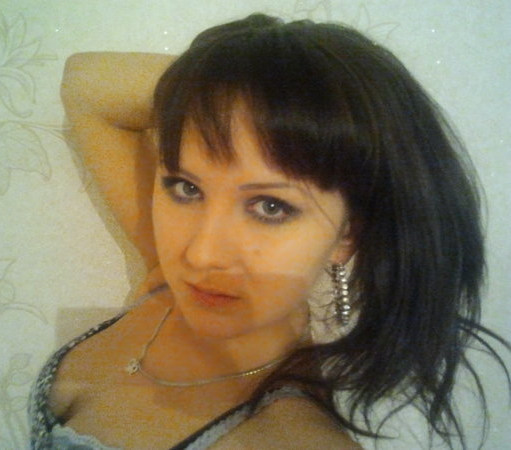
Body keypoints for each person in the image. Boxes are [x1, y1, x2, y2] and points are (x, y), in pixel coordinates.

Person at [29, 13, 509, 449]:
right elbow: (84, 84)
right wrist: (242, 86)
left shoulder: (288, 436)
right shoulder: (174, 280)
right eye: (186, 188)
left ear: (348, 234)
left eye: (270, 206)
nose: (200, 254)